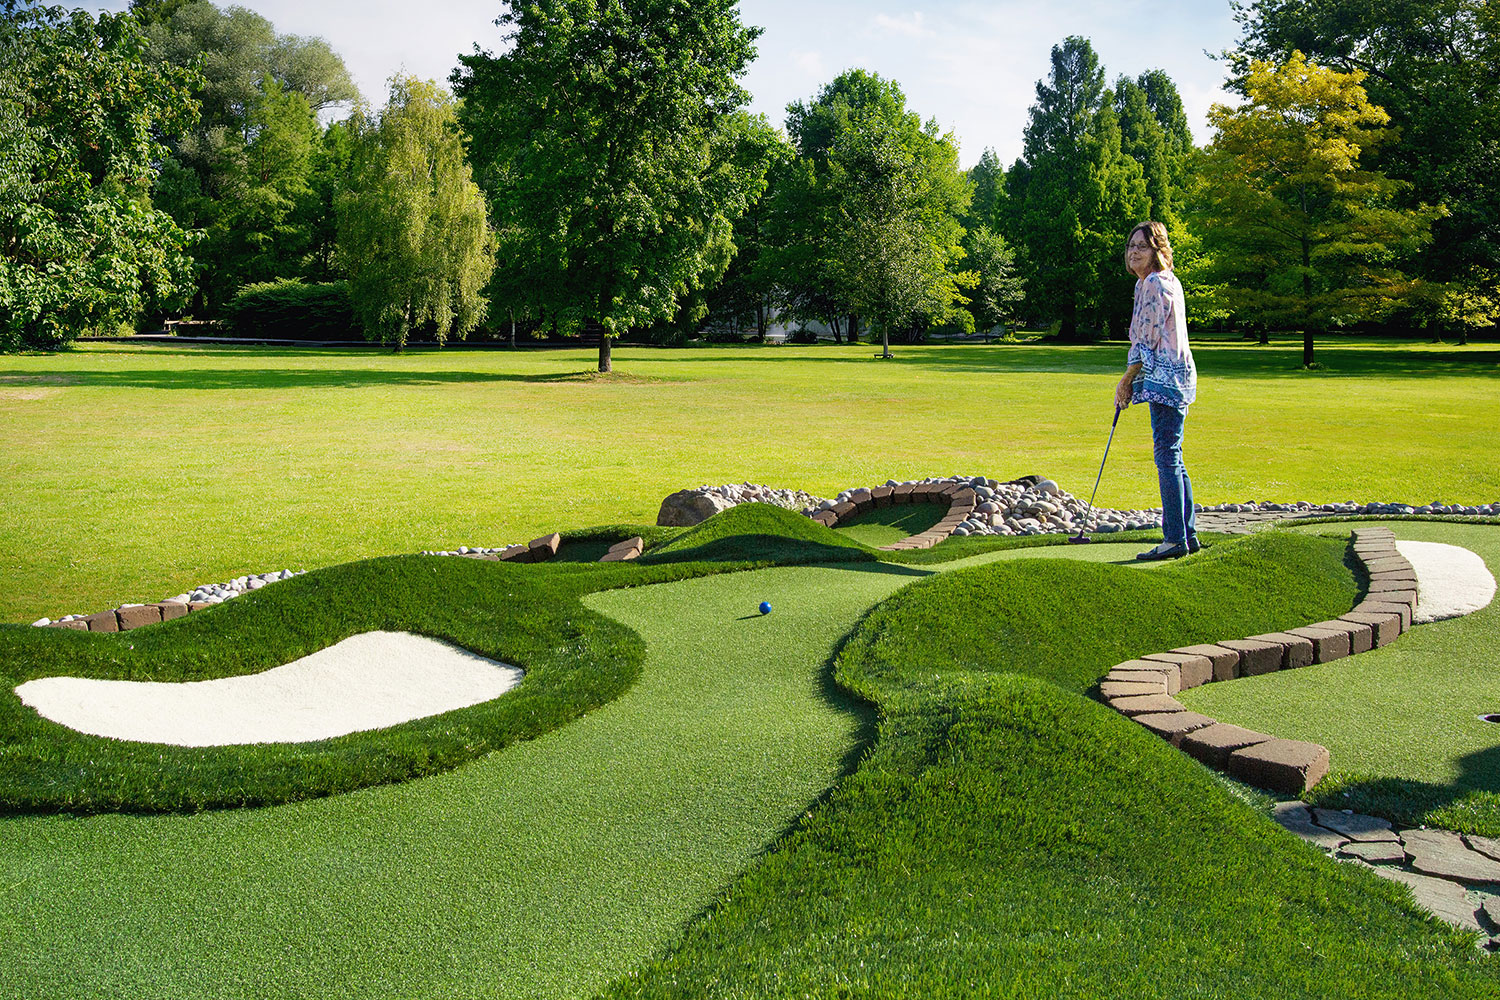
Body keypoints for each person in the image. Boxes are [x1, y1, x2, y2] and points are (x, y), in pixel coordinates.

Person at [1114, 221, 1198, 560]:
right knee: (1173, 454)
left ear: (1158, 251)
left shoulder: (1153, 284)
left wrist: (1126, 380)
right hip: (1176, 378)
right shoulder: (1165, 282)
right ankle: (1186, 536)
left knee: (1166, 456)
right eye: (1131, 246)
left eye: (1142, 246)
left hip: (1165, 379)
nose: (1134, 252)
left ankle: (1174, 539)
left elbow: (1146, 340)